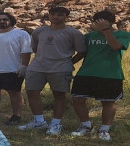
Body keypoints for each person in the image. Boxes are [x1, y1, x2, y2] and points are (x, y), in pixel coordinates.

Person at [18, 7, 86, 135]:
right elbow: (35, 48)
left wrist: (69, 62)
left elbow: (81, 51)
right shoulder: (39, 31)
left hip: (60, 68)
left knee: (59, 95)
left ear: (66, 17)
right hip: (37, 66)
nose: (56, 17)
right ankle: (38, 121)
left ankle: (56, 123)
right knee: (32, 92)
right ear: (48, 16)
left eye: (60, 15)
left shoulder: (73, 33)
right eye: (53, 14)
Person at [70, 10, 130, 141]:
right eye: (97, 22)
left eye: (103, 22)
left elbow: (115, 47)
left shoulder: (123, 34)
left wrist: (106, 31)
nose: (99, 25)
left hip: (110, 74)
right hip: (86, 72)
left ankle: (104, 130)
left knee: (108, 102)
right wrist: (69, 63)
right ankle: (86, 126)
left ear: (111, 22)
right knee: (77, 99)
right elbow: (81, 53)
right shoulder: (88, 36)